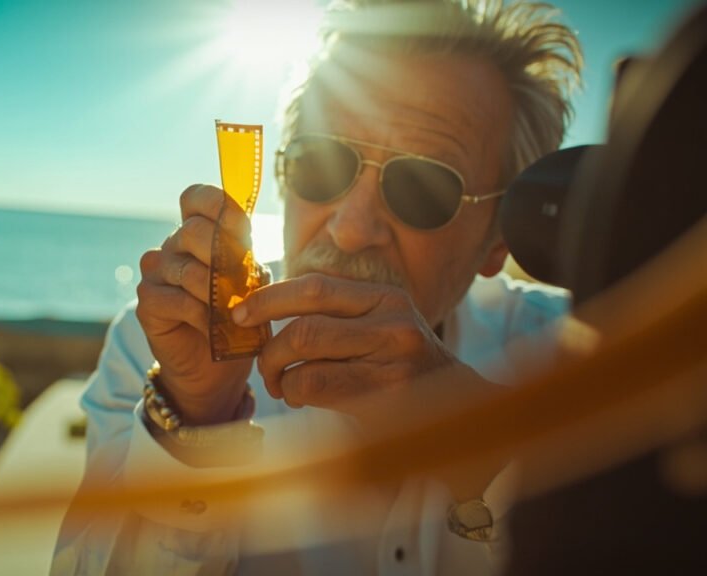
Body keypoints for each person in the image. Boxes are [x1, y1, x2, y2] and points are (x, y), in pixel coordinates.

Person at [53, 0, 582, 573]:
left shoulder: (575, 355)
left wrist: (478, 439)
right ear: (284, 175)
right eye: (322, 163)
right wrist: (195, 421)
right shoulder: (161, 349)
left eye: (423, 187)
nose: (350, 229)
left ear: (498, 240)